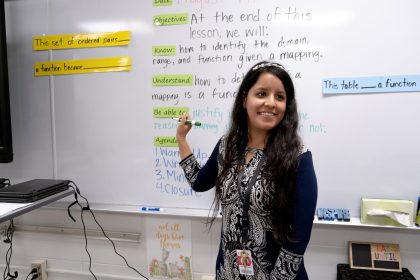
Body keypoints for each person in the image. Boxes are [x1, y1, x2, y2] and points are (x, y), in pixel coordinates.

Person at [176, 61, 318, 280]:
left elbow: (298, 236)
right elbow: (199, 182)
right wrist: (181, 139)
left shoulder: (298, 157)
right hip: (229, 271)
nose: (271, 103)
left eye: (280, 97)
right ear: (245, 99)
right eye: (262, 93)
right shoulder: (227, 145)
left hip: (278, 276)